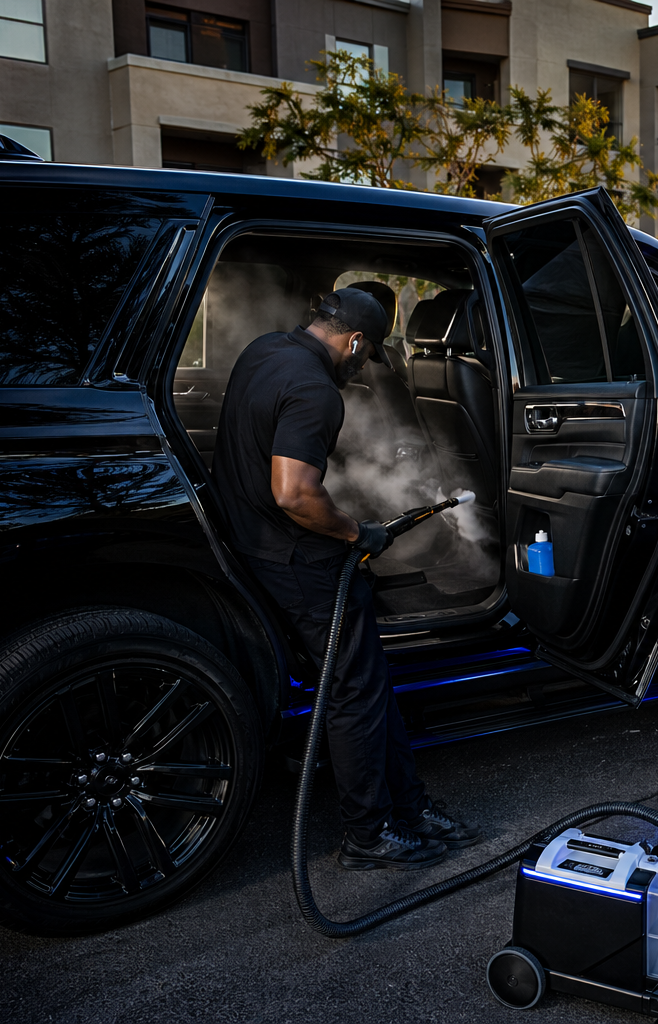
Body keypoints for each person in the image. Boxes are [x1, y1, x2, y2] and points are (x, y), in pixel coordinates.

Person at [212, 286, 479, 870]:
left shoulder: (264, 350)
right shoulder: (314, 389)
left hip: (259, 546)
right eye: (367, 353)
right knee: (354, 692)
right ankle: (368, 835)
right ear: (355, 341)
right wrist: (359, 533)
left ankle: (407, 808)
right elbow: (293, 494)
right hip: (298, 560)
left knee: (369, 680)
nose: (363, 364)